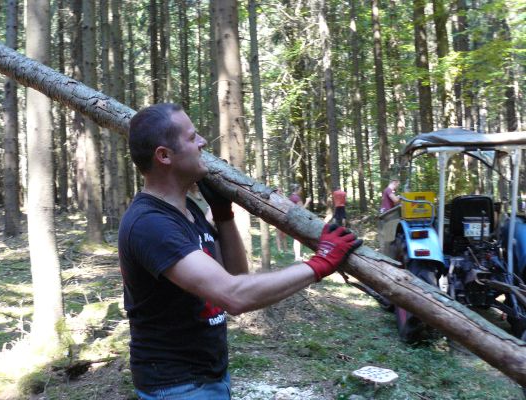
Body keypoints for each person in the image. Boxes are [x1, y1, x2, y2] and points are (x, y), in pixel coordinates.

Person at [118, 103, 362, 399]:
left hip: (208, 376)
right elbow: (234, 295)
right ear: (164, 155)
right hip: (177, 386)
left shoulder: (188, 210)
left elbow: (235, 274)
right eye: (192, 137)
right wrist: (321, 263)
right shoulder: (150, 224)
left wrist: (224, 215)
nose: (202, 142)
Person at [289, 184, 311, 261]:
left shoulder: (291, 197)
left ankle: (298, 255)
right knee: (297, 238)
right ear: (297, 190)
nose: (301, 191)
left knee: (297, 237)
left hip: (293, 218)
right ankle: (297, 256)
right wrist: (307, 202)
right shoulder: (297, 198)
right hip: (297, 219)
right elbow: (301, 210)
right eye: (300, 190)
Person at [275, 188, 288, 253]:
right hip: (277, 217)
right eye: (279, 191)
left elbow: (287, 205)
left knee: (284, 235)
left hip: (284, 217)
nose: (280, 192)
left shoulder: (284, 198)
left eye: (281, 191)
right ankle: (279, 249)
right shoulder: (274, 199)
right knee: (278, 234)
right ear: (276, 191)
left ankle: (286, 250)